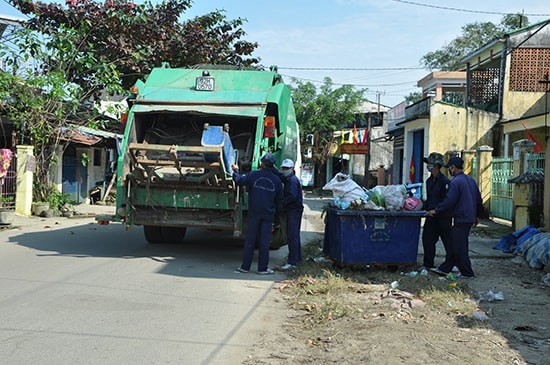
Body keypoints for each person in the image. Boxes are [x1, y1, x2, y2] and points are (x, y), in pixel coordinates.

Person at [427, 156, 483, 278]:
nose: (449, 171)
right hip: (469, 217)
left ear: (453, 167)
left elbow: (449, 201)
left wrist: (436, 210)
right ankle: (445, 268)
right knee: (453, 243)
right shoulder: (471, 180)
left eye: (450, 168)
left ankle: (467, 273)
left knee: (460, 246)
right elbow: (479, 200)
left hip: (461, 217)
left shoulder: (456, 182)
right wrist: (477, 215)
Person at [231, 153, 283, 275]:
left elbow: (239, 180)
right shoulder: (277, 180)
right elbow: (279, 201)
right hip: (268, 215)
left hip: (254, 214)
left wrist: (236, 170)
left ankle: (245, 267)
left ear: (262, 164)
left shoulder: (254, 175)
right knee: (264, 242)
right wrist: (277, 217)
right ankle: (262, 269)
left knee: (250, 240)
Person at [421, 152, 452, 270]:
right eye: (428, 163)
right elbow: (429, 199)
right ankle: (428, 264)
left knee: (448, 242)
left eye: (431, 164)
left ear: (437, 165)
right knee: (427, 240)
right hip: (431, 216)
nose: (429, 165)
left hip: (443, 217)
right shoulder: (429, 181)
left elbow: (447, 200)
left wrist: (437, 210)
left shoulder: (445, 182)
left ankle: (451, 264)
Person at [278, 159, 304, 271]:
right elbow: (282, 177)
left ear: (292, 169)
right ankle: (297, 258)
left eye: (287, 168)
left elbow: (292, 196)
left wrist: (281, 202)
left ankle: (292, 261)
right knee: (294, 235)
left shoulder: (292, 181)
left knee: (292, 236)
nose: (285, 170)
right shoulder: (289, 179)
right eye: (283, 168)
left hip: (294, 211)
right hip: (293, 210)